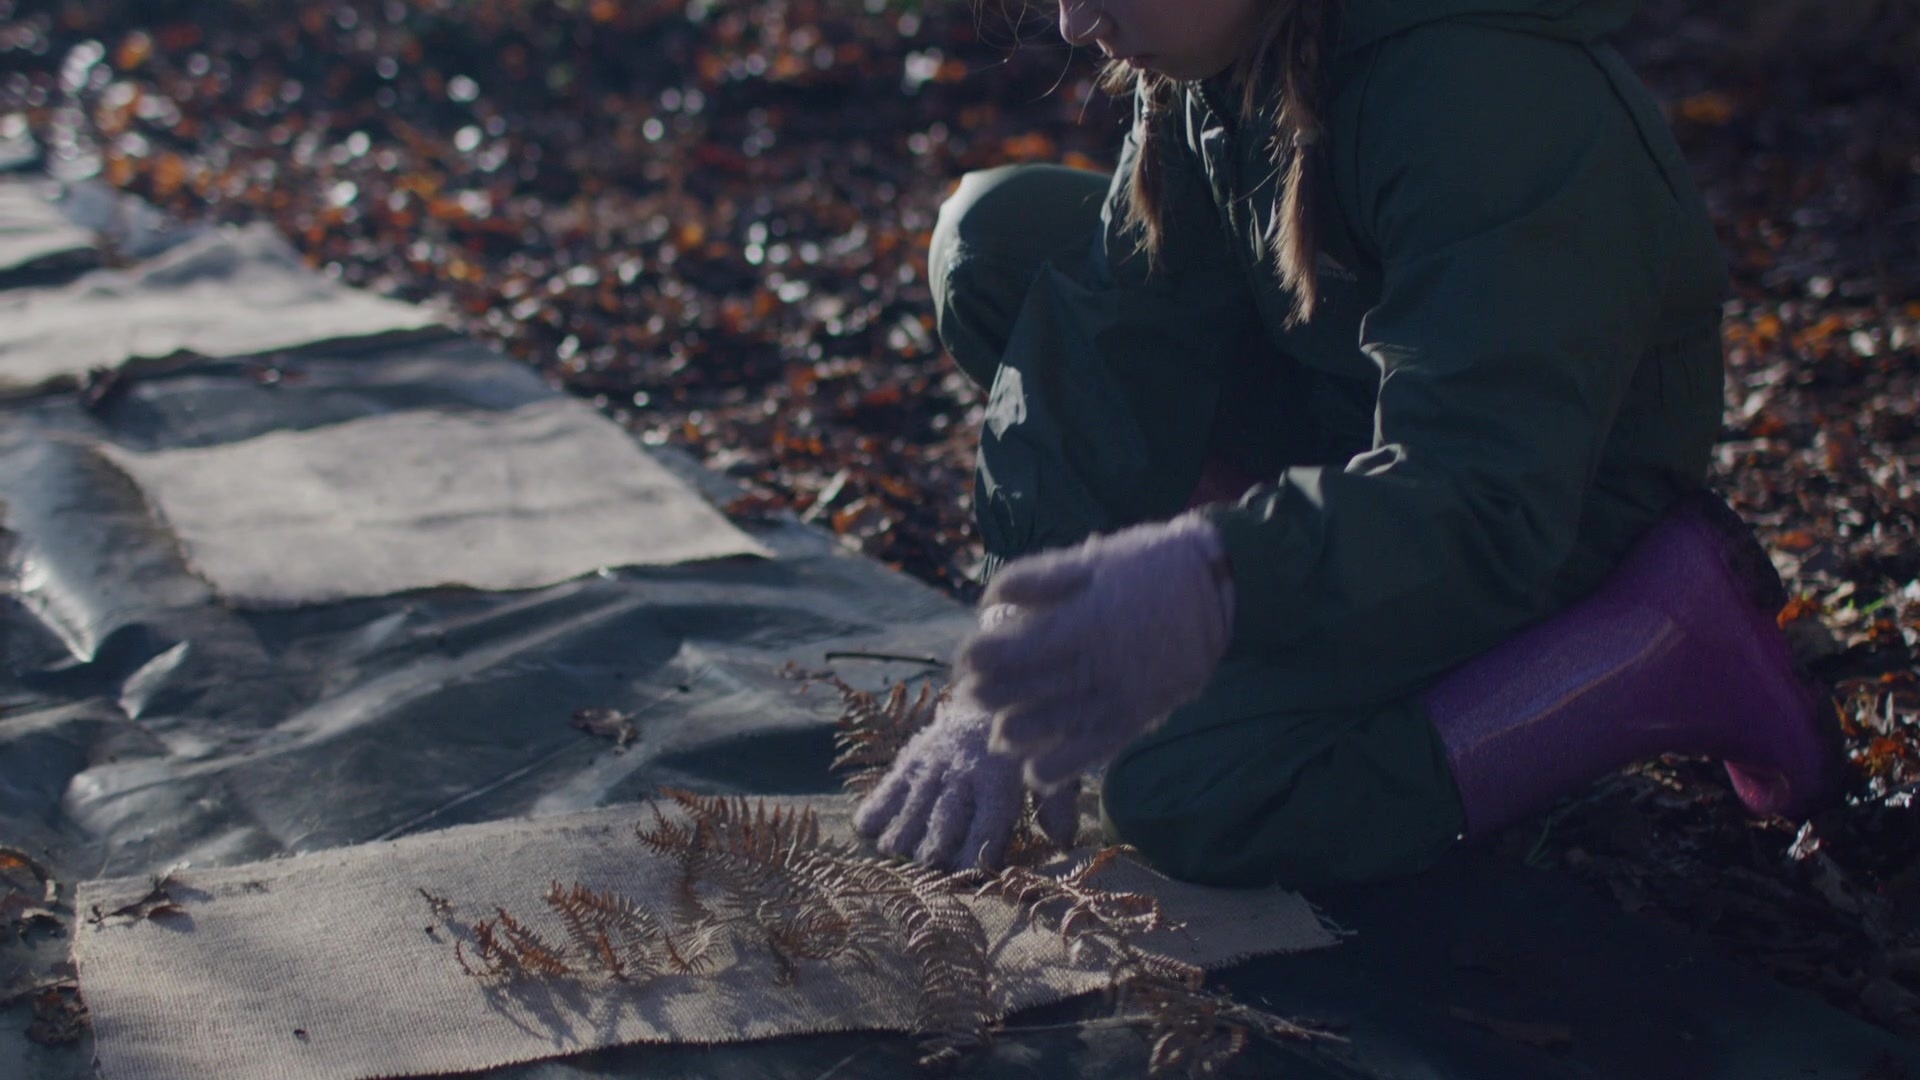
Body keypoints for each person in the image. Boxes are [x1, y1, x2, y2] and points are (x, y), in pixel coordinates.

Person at [852, 0, 1841, 888]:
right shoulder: (1233, 40)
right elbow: (1120, 335)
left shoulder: (1480, 90)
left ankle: (1653, 648)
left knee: (1185, 787)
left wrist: (1218, 576)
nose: (1071, 24)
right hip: (1355, 411)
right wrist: (1017, 646)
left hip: (1552, 500)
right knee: (994, 243)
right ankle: (1289, 606)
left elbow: (1486, 491)